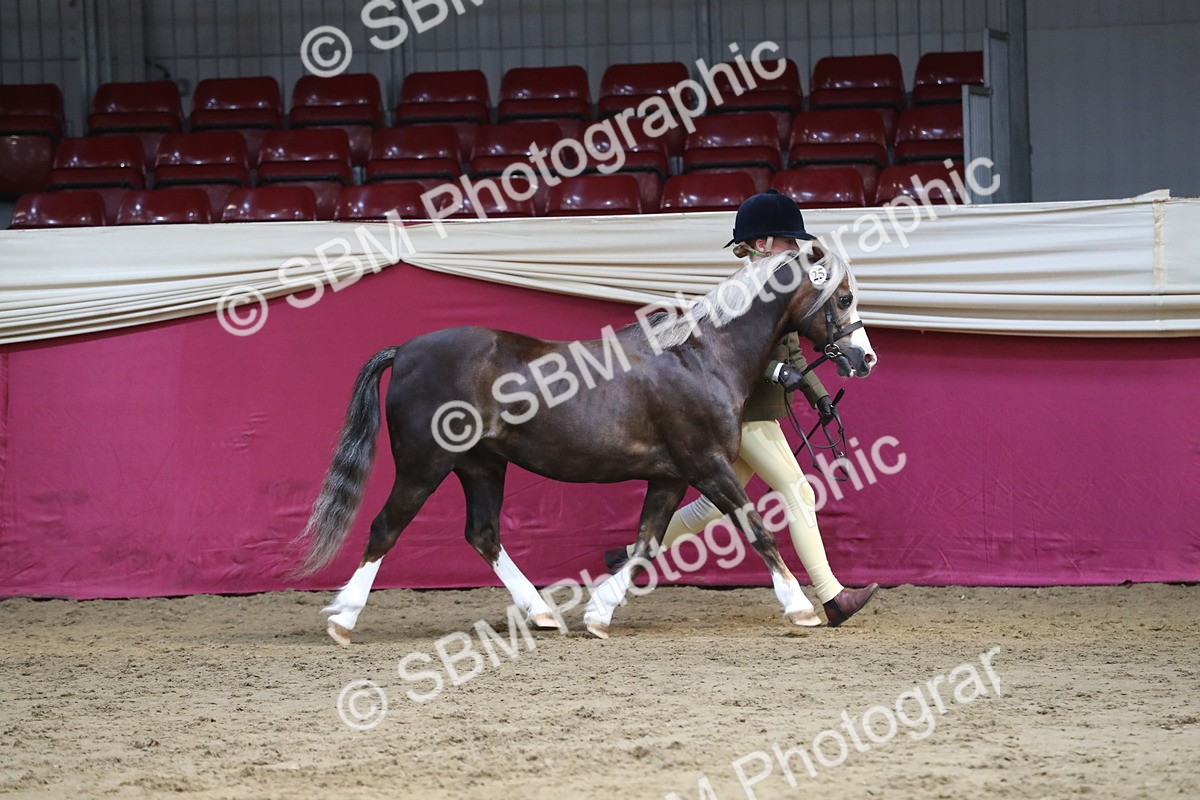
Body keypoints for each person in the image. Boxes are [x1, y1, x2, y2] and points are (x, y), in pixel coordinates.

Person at [604, 189, 879, 627]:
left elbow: (792, 352)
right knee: (799, 491)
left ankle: (630, 557)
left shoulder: (783, 288)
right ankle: (831, 596)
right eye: (790, 242)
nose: (797, 250)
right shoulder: (739, 296)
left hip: (762, 411)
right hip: (743, 411)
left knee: (709, 508)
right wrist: (775, 374)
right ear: (764, 244)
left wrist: (817, 394)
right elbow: (731, 355)